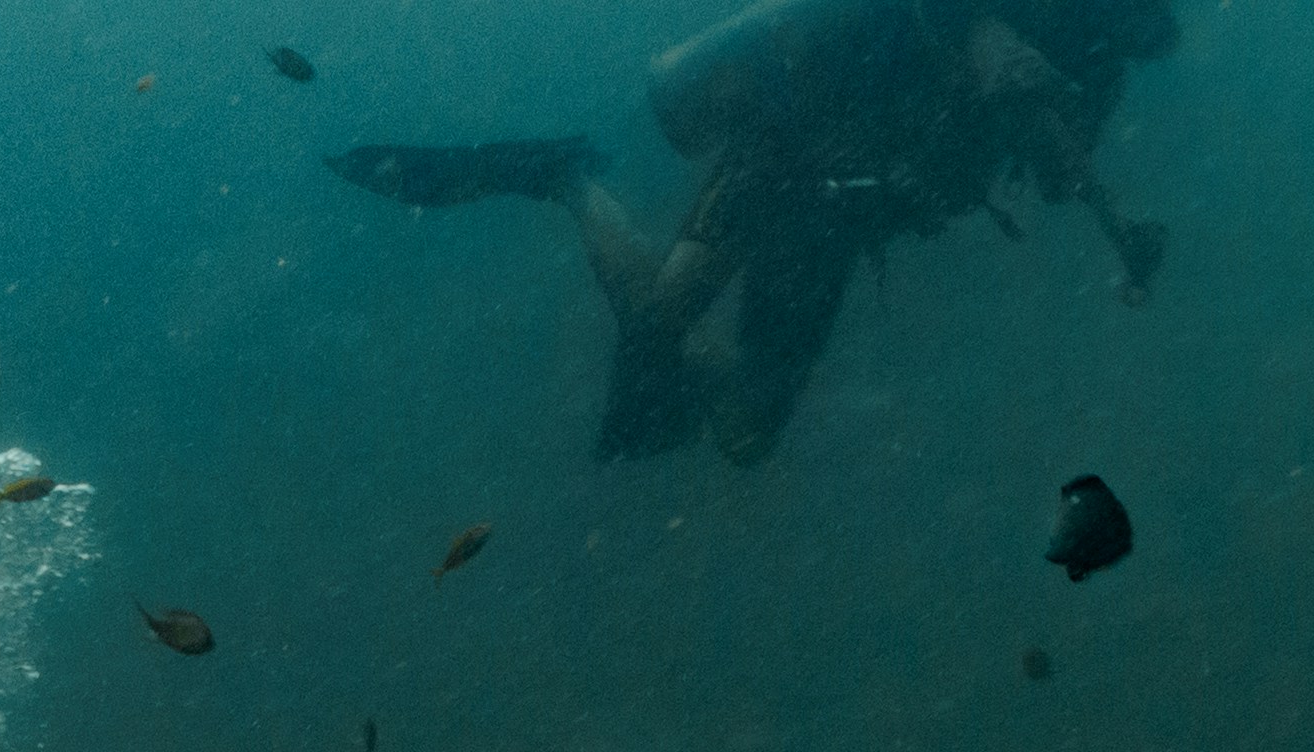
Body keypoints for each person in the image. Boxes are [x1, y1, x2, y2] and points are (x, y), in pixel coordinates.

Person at [334, 0, 1176, 468]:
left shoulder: (1092, 66)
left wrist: (1079, 159)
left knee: (743, 436)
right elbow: (994, 74)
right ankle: (565, 177)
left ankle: (567, 182)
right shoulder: (1006, 18)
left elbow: (1058, 171)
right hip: (783, 164)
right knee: (658, 321)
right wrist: (1114, 215)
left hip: (836, 228)